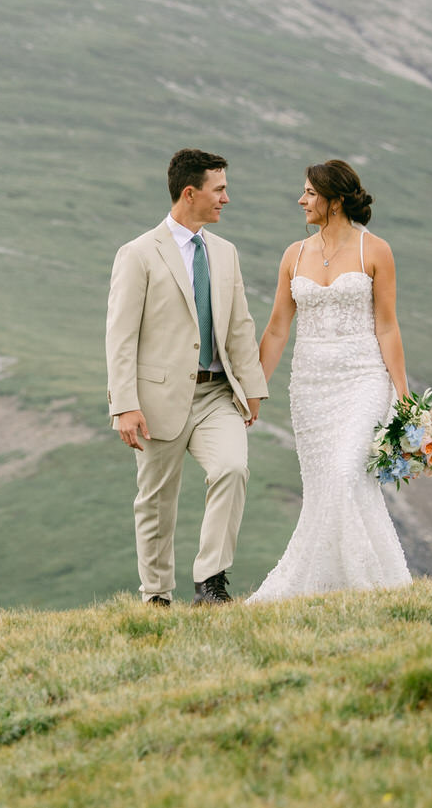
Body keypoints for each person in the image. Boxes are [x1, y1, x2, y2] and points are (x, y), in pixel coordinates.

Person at [105, 148, 268, 605]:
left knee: (232, 468)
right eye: (220, 190)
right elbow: (120, 335)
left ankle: (210, 584)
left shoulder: (225, 253)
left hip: (217, 394)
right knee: (156, 502)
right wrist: (124, 404)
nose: (227, 199)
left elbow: (239, 324)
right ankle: (156, 595)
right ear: (190, 192)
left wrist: (252, 387)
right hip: (156, 400)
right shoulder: (138, 253)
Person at [246, 158, 413, 601]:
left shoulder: (375, 250)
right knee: (324, 488)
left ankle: (366, 580)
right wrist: (254, 389)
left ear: (335, 200)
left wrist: (403, 392)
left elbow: (387, 326)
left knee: (344, 474)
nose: (301, 201)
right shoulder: (293, 255)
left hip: (362, 379)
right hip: (310, 387)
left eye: (310, 194)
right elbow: (278, 327)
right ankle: (331, 587)